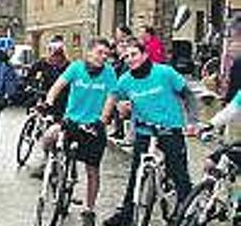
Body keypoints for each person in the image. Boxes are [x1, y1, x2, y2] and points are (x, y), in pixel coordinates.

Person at [101, 38, 200, 226]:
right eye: (127, 56)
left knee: (179, 173)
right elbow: (116, 100)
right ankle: (127, 214)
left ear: (144, 54)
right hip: (144, 131)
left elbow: (188, 95)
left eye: (134, 54)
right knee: (136, 174)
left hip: (170, 129)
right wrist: (120, 108)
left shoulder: (164, 72)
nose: (130, 59)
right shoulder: (125, 80)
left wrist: (193, 122)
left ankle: (187, 210)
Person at [38, 38, 117, 226]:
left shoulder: (109, 73)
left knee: (92, 169)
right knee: (49, 137)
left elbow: (111, 97)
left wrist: (102, 120)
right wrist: (48, 102)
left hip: (93, 127)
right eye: (100, 52)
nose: (103, 57)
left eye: (106, 54)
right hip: (71, 122)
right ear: (89, 52)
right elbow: (57, 86)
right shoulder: (76, 68)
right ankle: (55, 170)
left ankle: (89, 208)